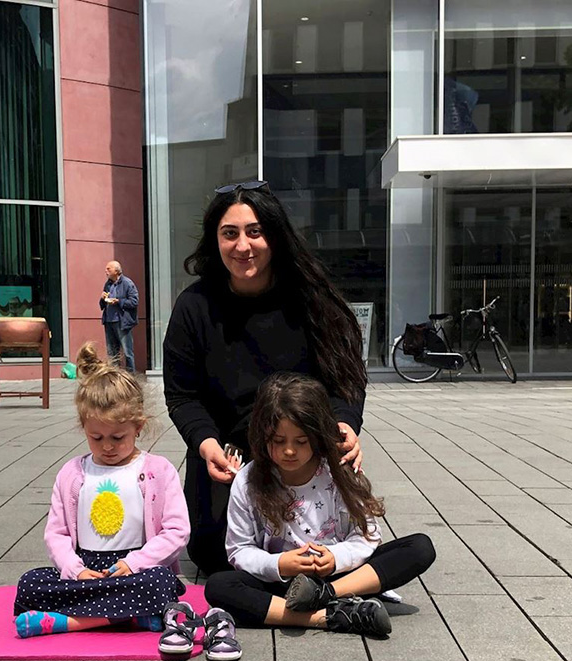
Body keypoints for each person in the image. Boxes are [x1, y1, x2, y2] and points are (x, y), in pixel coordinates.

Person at [163, 181, 368, 576]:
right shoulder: (194, 306)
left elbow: (345, 378)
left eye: (255, 232)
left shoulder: (313, 298)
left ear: (274, 235)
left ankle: (320, 582)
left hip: (302, 450)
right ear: (215, 240)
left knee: (337, 547)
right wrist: (206, 445)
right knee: (214, 557)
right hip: (230, 455)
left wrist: (345, 424)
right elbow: (182, 395)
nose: (243, 246)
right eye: (230, 233)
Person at [204, 374, 436, 636]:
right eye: (278, 441)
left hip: (340, 577)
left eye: (301, 441)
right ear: (262, 436)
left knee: (420, 547)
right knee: (219, 585)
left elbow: (366, 535)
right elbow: (239, 550)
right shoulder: (248, 480)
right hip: (281, 582)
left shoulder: (338, 471)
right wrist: (280, 564)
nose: (289, 450)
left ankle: (325, 596)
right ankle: (329, 617)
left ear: (317, 436)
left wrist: (335, 559)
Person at [13, 342, 189, 637]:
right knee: (30, 584)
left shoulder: (158, 470)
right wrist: (75, 569)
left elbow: (177, 531)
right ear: (84, 427)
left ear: (138, 426)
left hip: (136, 570)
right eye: (96, 437)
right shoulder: (72, 473)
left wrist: (136, 563)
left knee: (161, 582)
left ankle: (69, 621)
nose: (107, 446)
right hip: (86, 571)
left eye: (118, 437)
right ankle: (133, 615)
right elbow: (56, 533)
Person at [99, 261, 138, 374]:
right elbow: (102, 305)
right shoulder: (108, 284)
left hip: (122, 322)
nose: (106, 271)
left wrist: (119, 301)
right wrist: (102, 298)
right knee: (112, 353)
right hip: (109, 322)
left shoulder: (127, 283)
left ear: (116, 271)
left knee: (127, 352)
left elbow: (134, 302)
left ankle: (130, 377)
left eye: (108, 269)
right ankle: (114, 377)